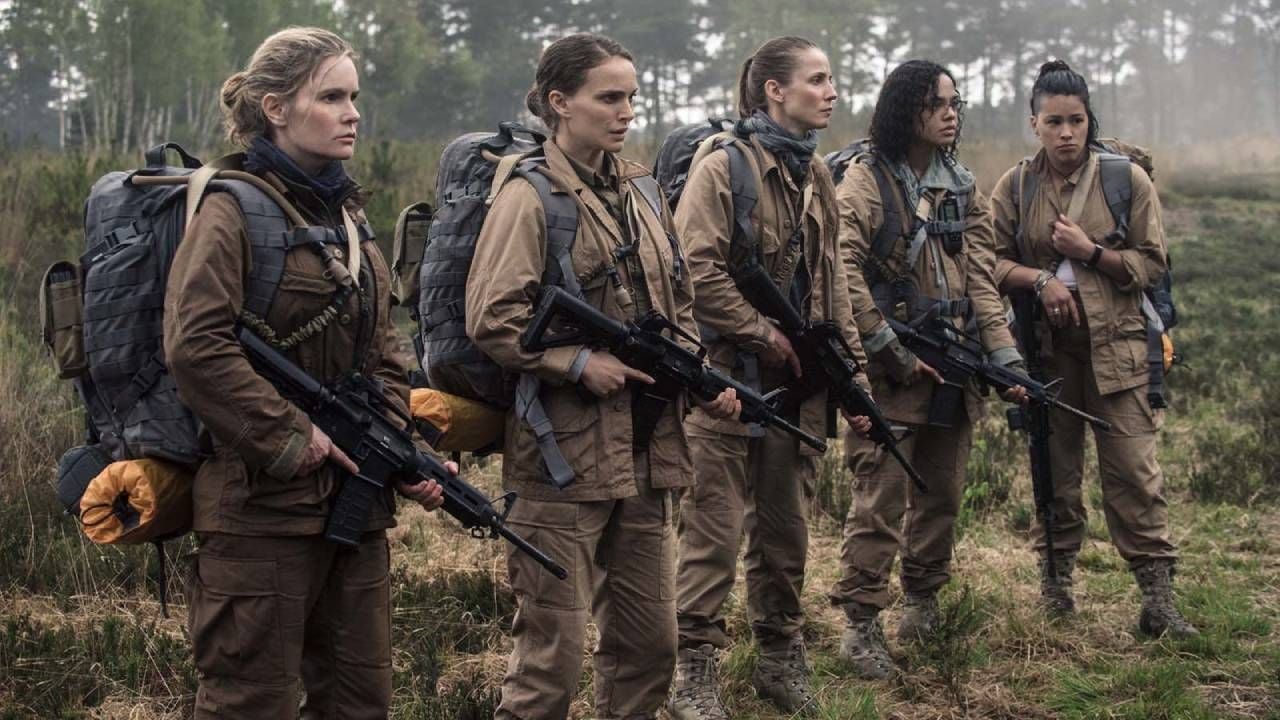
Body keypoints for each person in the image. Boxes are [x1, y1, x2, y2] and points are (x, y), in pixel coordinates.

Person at [164, 27, 447, 719]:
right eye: (331, 97)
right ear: (276, 108)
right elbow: (197, 346)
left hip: (356, 507)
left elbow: (382, 350)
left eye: (354, 96)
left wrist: (400, 446)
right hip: (259, 512)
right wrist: (294, 438)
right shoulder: (230, 210)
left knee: (359, 701)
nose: (353, 113)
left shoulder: (348, 217)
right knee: (249, 703)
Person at [464, 32, 739, 720]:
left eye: (632, 97)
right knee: (550, 662)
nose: (626, 112)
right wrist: (577, 362)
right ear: (559, 103)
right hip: (562, 458)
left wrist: (699, 374)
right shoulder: (529, 197)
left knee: (650, 648)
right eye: (609, 98)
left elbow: (678, 302)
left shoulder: (643, 190)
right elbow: (492, 317)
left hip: (646, 454)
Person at [668, 36, 872, 717]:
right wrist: (763, 334)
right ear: (774, 91)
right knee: (713, 536)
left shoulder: (815, 174)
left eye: (831, 79)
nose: (831, 92)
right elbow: (696, 271)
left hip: (797, 389)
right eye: (817, 79)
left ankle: (780, 659)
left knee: (786, 536)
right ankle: (693, 672)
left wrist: (852, 376)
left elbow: (833, 285)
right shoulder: (722, 167)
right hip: (725, 384)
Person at [826, 59, 1027, 681]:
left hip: (954, 362)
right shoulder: (865, 182)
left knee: (943, 492)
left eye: (955, 103)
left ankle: (922, 603)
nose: (950, 114)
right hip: (891, 370)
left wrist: (1005, 358)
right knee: (880, 498)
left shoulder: (961, 186)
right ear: (905, 109)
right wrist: (887, 346)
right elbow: (842, 271)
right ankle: (860, 623)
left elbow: (982, 280)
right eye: (936, 104)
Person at [988, 59, 1197, 637]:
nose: (1066, 133)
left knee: (1135, 475)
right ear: (1034, 123)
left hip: (1119, 348)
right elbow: (988, 262)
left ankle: (1158, 601)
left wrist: (1090, 253)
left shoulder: (1125, 181)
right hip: (1046, 353)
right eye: (1053, 121)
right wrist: (1040, 280)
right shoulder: (1016, 187)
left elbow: (1152, 263)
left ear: (1089, 120)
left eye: (1076, 120)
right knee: (1053, 475)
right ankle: (1056, 590)